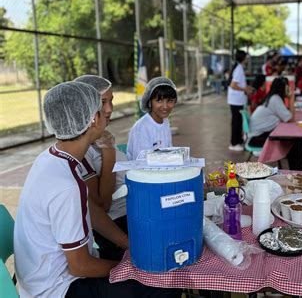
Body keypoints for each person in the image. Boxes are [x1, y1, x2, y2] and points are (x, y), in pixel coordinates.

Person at [14, 81, 181, 298]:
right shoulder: (66, 186)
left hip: (44, 276)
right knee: (163, 286)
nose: (108, 111)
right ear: (93, 119)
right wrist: (128, 268)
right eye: (103, 107)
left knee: (153, 271)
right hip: (58, 288)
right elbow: (80, 266)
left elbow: (91, 208)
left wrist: (125, 243)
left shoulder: (53, 158)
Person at [74, 75, 128, 261]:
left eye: (111, 101)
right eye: (103, 102)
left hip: (129, 213)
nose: (110, 109)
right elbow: (101, 205)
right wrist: (109, 152)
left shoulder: (102, 138)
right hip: (115, 223)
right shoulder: (80, 149)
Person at [248, 77, 302, 170]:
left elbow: (287, 115)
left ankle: (296, 170)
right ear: (284, 88)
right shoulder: (275, 99)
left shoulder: (272, 97)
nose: (289, 89)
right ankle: (296, 171)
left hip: (258, 134)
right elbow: (290, 118)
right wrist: (291, 98)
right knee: (295, 142)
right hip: (257, 138)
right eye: (288, 87)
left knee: (293, 141)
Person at [127, 77, 177, 160]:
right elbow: (141, 161)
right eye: (159, 100)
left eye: (170, 101)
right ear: (149, 102)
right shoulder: (142, 128)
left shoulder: (165, 121)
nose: (165, 106)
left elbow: (169, 149)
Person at [227, 50, 255, 151]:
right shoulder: (239, 68)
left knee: (237, 121)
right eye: (246, 57)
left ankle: (237, 141)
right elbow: (233, 85)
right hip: (236, 100)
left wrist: (246, 87)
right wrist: (245, 89)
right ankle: (234, 144)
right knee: (236, 122)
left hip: (236, 100)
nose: (247, 59)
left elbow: (238, 84)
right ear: (243, 58)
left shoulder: (238, 67)